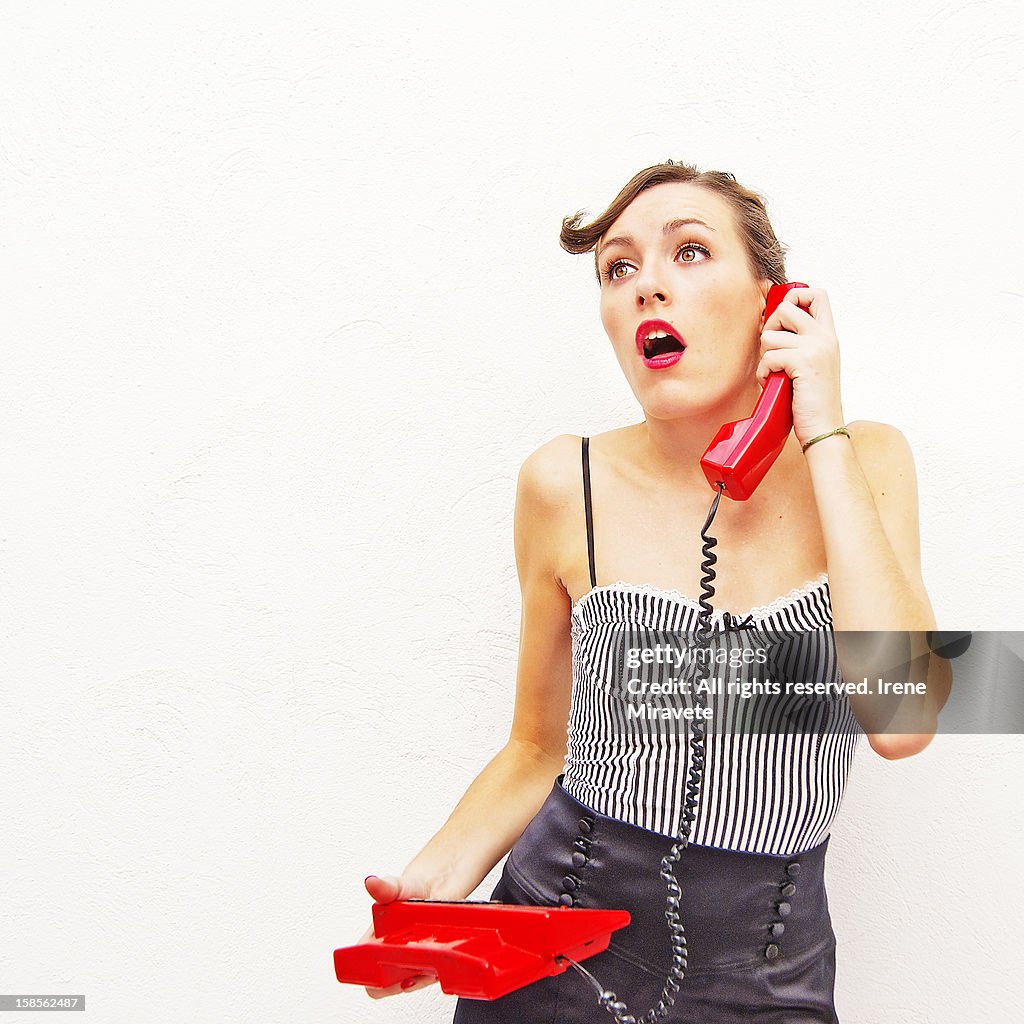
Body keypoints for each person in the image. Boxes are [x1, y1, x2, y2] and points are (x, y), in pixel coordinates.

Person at [357, 160, 951, 1022]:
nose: (646, 288)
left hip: (769, 977)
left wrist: (819, 427)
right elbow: (536, 747)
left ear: (773, 303)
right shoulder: (565, 482)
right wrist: (427, 889)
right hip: (556, 948)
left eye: (692, 252)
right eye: (619, 269)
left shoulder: (869, 462)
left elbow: (905, 721)